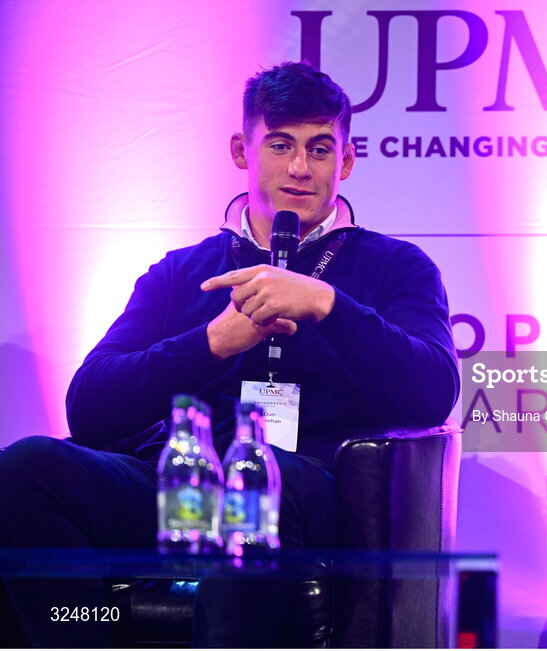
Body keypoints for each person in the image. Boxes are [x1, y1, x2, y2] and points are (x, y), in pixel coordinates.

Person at [0, 61, 459, 646]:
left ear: (344, 163)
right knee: (27, 468)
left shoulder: (396, 267)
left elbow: (434, 391)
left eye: (320, 150)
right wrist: (211, 343)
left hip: (311, 491)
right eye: (281, 145)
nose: (300, 168)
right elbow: (88, 405)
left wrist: (328, 305)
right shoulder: (181, 273)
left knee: (255, 477)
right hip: (182, 488)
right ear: (243, 151)